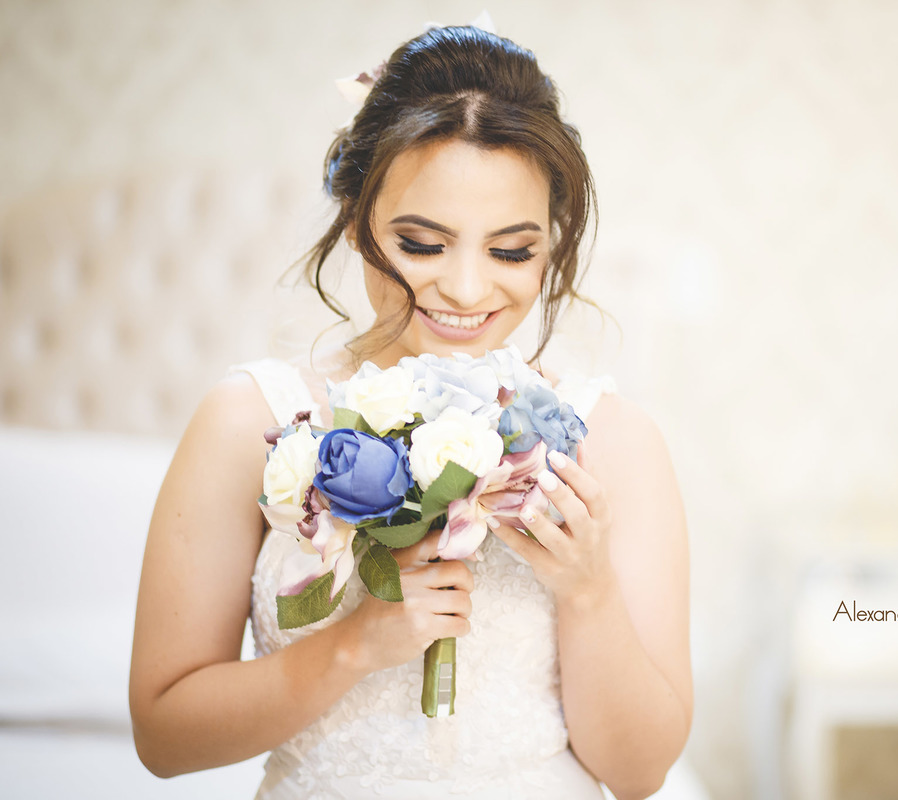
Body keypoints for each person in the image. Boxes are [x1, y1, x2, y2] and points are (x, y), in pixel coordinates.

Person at [128, 19, 692, 800]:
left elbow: (639, 775)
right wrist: (354, 645)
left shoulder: (617, 442)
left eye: (511, 250)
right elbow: (163, 738)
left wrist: (587, 591)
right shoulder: (248, 423)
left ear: (551, 244)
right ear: (356, 221)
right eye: (423, 244)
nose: (465, 289)